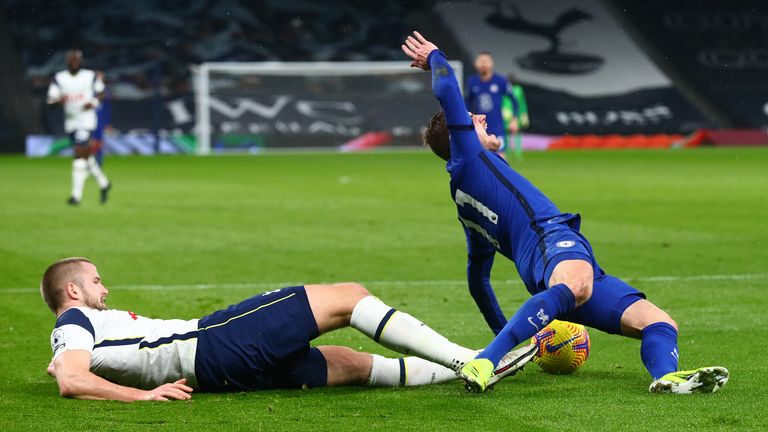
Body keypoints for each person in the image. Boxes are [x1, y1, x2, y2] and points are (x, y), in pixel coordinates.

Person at [401, 31, 729, 394]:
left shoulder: (466, 203)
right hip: (551, 242)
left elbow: (477, 281)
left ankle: (666, 377)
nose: (479, 116)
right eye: (472, 120)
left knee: (657, 322)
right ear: (458, 137)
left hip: (551, 266)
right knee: (576, 285)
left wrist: (502, 334)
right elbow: (447, 92)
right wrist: (436, 56)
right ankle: (486, 362)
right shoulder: (469, 159)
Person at [42, 257, 534, 401]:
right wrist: (142, 398)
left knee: (350, 365)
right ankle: (476, 360)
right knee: (348, 296)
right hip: (213, 341)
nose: (103, 289)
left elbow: (72, 365)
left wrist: (67, 363)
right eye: (95, 281)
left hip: (214, 375)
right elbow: (73, 379)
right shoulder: (74, 319)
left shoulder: (76, 333)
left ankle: (480, 360)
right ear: (71, 291)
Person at [47, 50, 112, 206]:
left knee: (78, 156)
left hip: (86, 121)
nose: (74, 63)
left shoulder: (90, 76)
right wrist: (58, 101)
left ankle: (75, 196)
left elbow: (101, 92)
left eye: (77, 60)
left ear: (81, 61)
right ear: (67, 61)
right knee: (86, 157)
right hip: (71, 122)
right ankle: (104, 183)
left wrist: (94, 103)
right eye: (72, 60)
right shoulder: (59, 78)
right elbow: (51, 100)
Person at [464, 52, 516, 158]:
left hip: (497, 126)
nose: (483, 63)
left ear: (491, 63)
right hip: (479, 127)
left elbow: (514, 100)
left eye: (486, 61)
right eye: (480, 61)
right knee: (478, 157)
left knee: (501, 156)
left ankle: (502, 174)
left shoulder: (500, 80)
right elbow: (466, 103)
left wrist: (514, 120)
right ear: (475, 64)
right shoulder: (471, 82)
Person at [500, 74, 528, 159]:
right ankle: (510, 152)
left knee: (512, 133)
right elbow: (522, 103)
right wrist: (524, 113)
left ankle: (517, 152)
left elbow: (521, 102)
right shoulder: (515, 89)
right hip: (510, 113)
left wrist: (523, 113)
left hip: (510, 113)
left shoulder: (518, 89)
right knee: (509, 133)